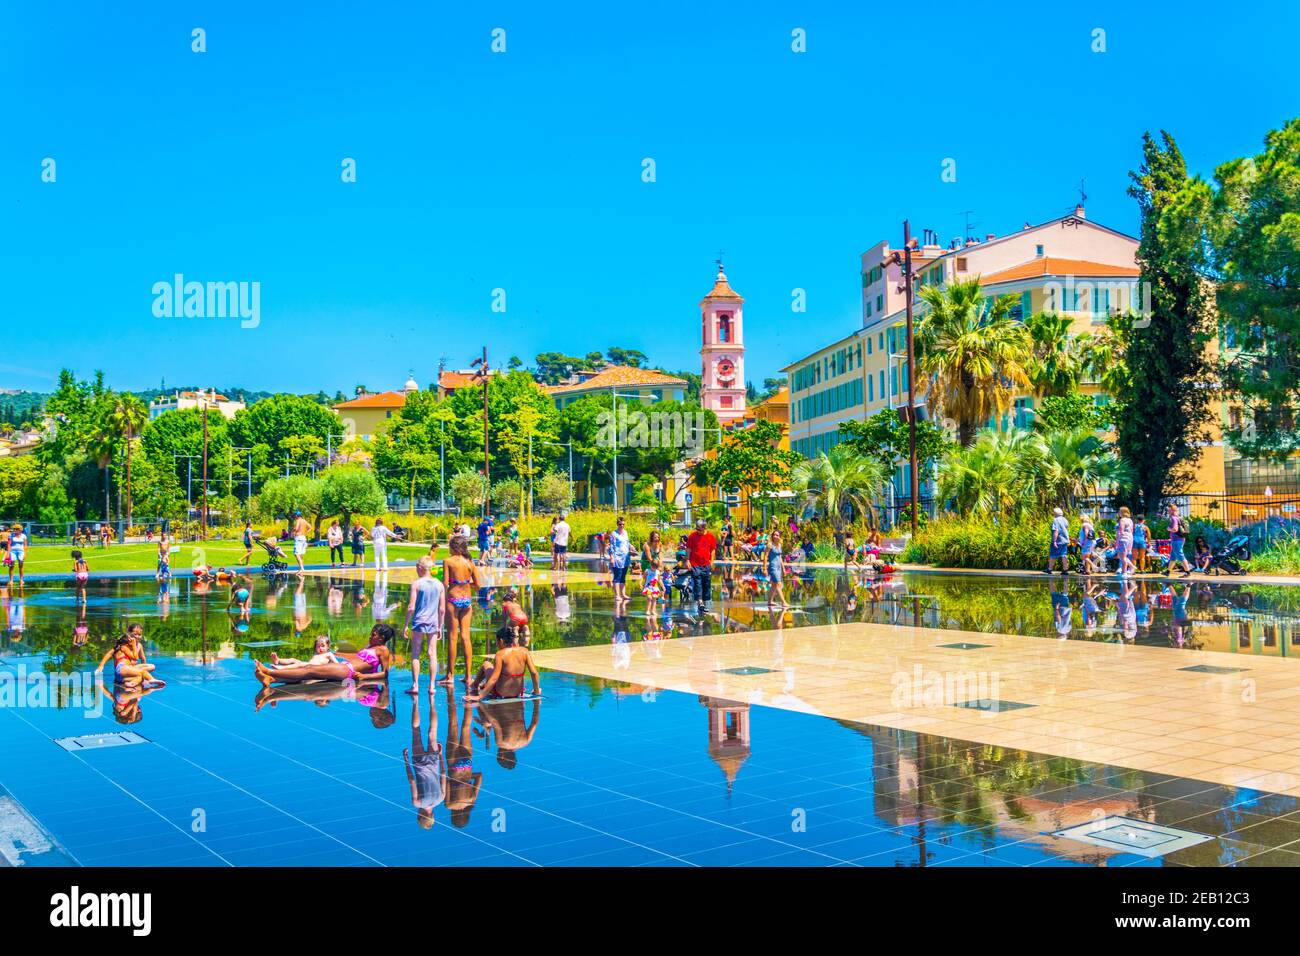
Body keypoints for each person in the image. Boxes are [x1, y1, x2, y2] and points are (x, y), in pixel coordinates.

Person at [255, 622, 393, 686]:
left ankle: (269, 672)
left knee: (309, 669)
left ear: (381, 638)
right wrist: (340, 653)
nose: (370, 636)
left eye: (373, 635)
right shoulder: (370, 646)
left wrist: (364, 677)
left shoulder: (383, 650)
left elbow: (385, 674)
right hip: (345, 667)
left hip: (348, 671)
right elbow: (356, 658)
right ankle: (272, 680)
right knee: (309, 674)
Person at [441, 535, 482, 686]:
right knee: (466, 637)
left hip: (453, 600)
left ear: (454, 547)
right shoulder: (470, 562)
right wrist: (465, 584)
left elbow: (445, 583)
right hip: (467, 601)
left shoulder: (448, 561)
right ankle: (468, 675)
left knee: (452, 637)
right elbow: (478, 585)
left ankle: (450, 675)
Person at [403, 555, 446, 695]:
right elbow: (442, 609)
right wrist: (440, 626)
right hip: (433, 622)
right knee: (432, 654)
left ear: (420, 568)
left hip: (419, 621)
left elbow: (411, 607)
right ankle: (432, 686)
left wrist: (405, 625)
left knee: (416, 653)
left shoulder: (416, 584)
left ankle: (415, 685)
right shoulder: (439, 585)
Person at [466, 625, 540, 702]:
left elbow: (494, 679)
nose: (497, 645)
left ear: (501, 641)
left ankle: (474, 685)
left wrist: (479, 696)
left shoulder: (500, 654)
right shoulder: (524, 651)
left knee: (486, 664)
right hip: (518, 693)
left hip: (500, 693)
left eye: (497, 642)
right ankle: (481, 685)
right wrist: (536, 691)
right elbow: (534, 673)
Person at [685, 518, 717, 611]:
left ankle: (705, 602)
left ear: (704, 527)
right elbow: (688, 549)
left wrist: (712, 561)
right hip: (695, 563)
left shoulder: (710, 536)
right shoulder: (692, 536)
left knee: (706, 583)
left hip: (706, 563)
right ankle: (700, 602)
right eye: (696, 529)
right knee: (697, 582)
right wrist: (687, 560)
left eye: (699, 529)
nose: (697, 531)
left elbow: (713, 550)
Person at [269, 635, 342, 668]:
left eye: (322, 646)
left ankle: (281, 668)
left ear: (328, 646)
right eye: (318, 646)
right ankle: (278, 660)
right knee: (293, 659)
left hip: (313, 668)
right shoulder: (317, 654)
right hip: (308, 665)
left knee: (299, 664)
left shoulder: (329, 654)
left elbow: (337, 664)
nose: (320, 648)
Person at [608, 515, 631, 604]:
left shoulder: (626, 532)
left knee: (623, 577)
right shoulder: (614, 534)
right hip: (617, 557)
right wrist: (612, 557)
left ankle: (623, 594)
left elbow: (627, 544)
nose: (622, 526)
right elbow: (612, 547)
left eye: (623, 524)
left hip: (625, 557)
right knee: (617, 576)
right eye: (620, 524)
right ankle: (617, 595)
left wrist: (631, 550)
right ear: (617, 524)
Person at [1165, 505, 1192, 578]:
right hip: (1180, 539)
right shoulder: (1178, 517)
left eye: (1169, 510)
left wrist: (1168, 529)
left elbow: (1175, 529)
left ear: (1173, 510)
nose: (1168, 511)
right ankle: (1168, 572)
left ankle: (1187, 572)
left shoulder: (1173, 518)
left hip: (1176, 540)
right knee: (1173, 556)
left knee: (1180, 555)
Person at [767, 530, 790, 609]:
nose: (775, 536)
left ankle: (770, 601)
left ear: (779, 536)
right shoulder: (770, 545)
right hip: (773, 566)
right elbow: (765, 557)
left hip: (778, 567)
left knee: (774, 585)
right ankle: (783, 602)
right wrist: (764, 568)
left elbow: (780, 558)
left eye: (777, 535)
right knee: (778, 584)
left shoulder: (779, 545)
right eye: (774, 535)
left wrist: (783, 569)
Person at [1046, 507, 1070, 575]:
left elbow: (1056, 531)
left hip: (1058, 540)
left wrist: (1054, 541)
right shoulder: (1065, 520)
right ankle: (1065, 570)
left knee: (1053, 555)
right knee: (1064, 555)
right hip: (1065, 540)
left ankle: (1049, 569)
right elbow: (1065, 528)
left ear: (1055, 513)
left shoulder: (1055, 520)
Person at [1115, 506, 1135, 576]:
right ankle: (1132, 567)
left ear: (1122, 512)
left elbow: (1121, 531)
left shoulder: (1122, 520)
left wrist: (1117, 542)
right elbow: (1132, 531)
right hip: (1130, 538)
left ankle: (1124, 572)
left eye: (1119, 511)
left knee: (1122, 556)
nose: (1118, 513)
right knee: (1124, 555)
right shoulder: (1130, 520)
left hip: (1123, 538)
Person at [291, 510, 311, 575]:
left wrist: (293, 530)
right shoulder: (304, 521)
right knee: (301, 554)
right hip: (303, 538)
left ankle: (302, 568)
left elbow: (296, 528)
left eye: (295, 515)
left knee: (296, 554)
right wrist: (305, 532)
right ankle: (301, 568)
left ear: (296, 516)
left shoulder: (298, 521)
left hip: (299, 537)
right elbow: (310, 527)